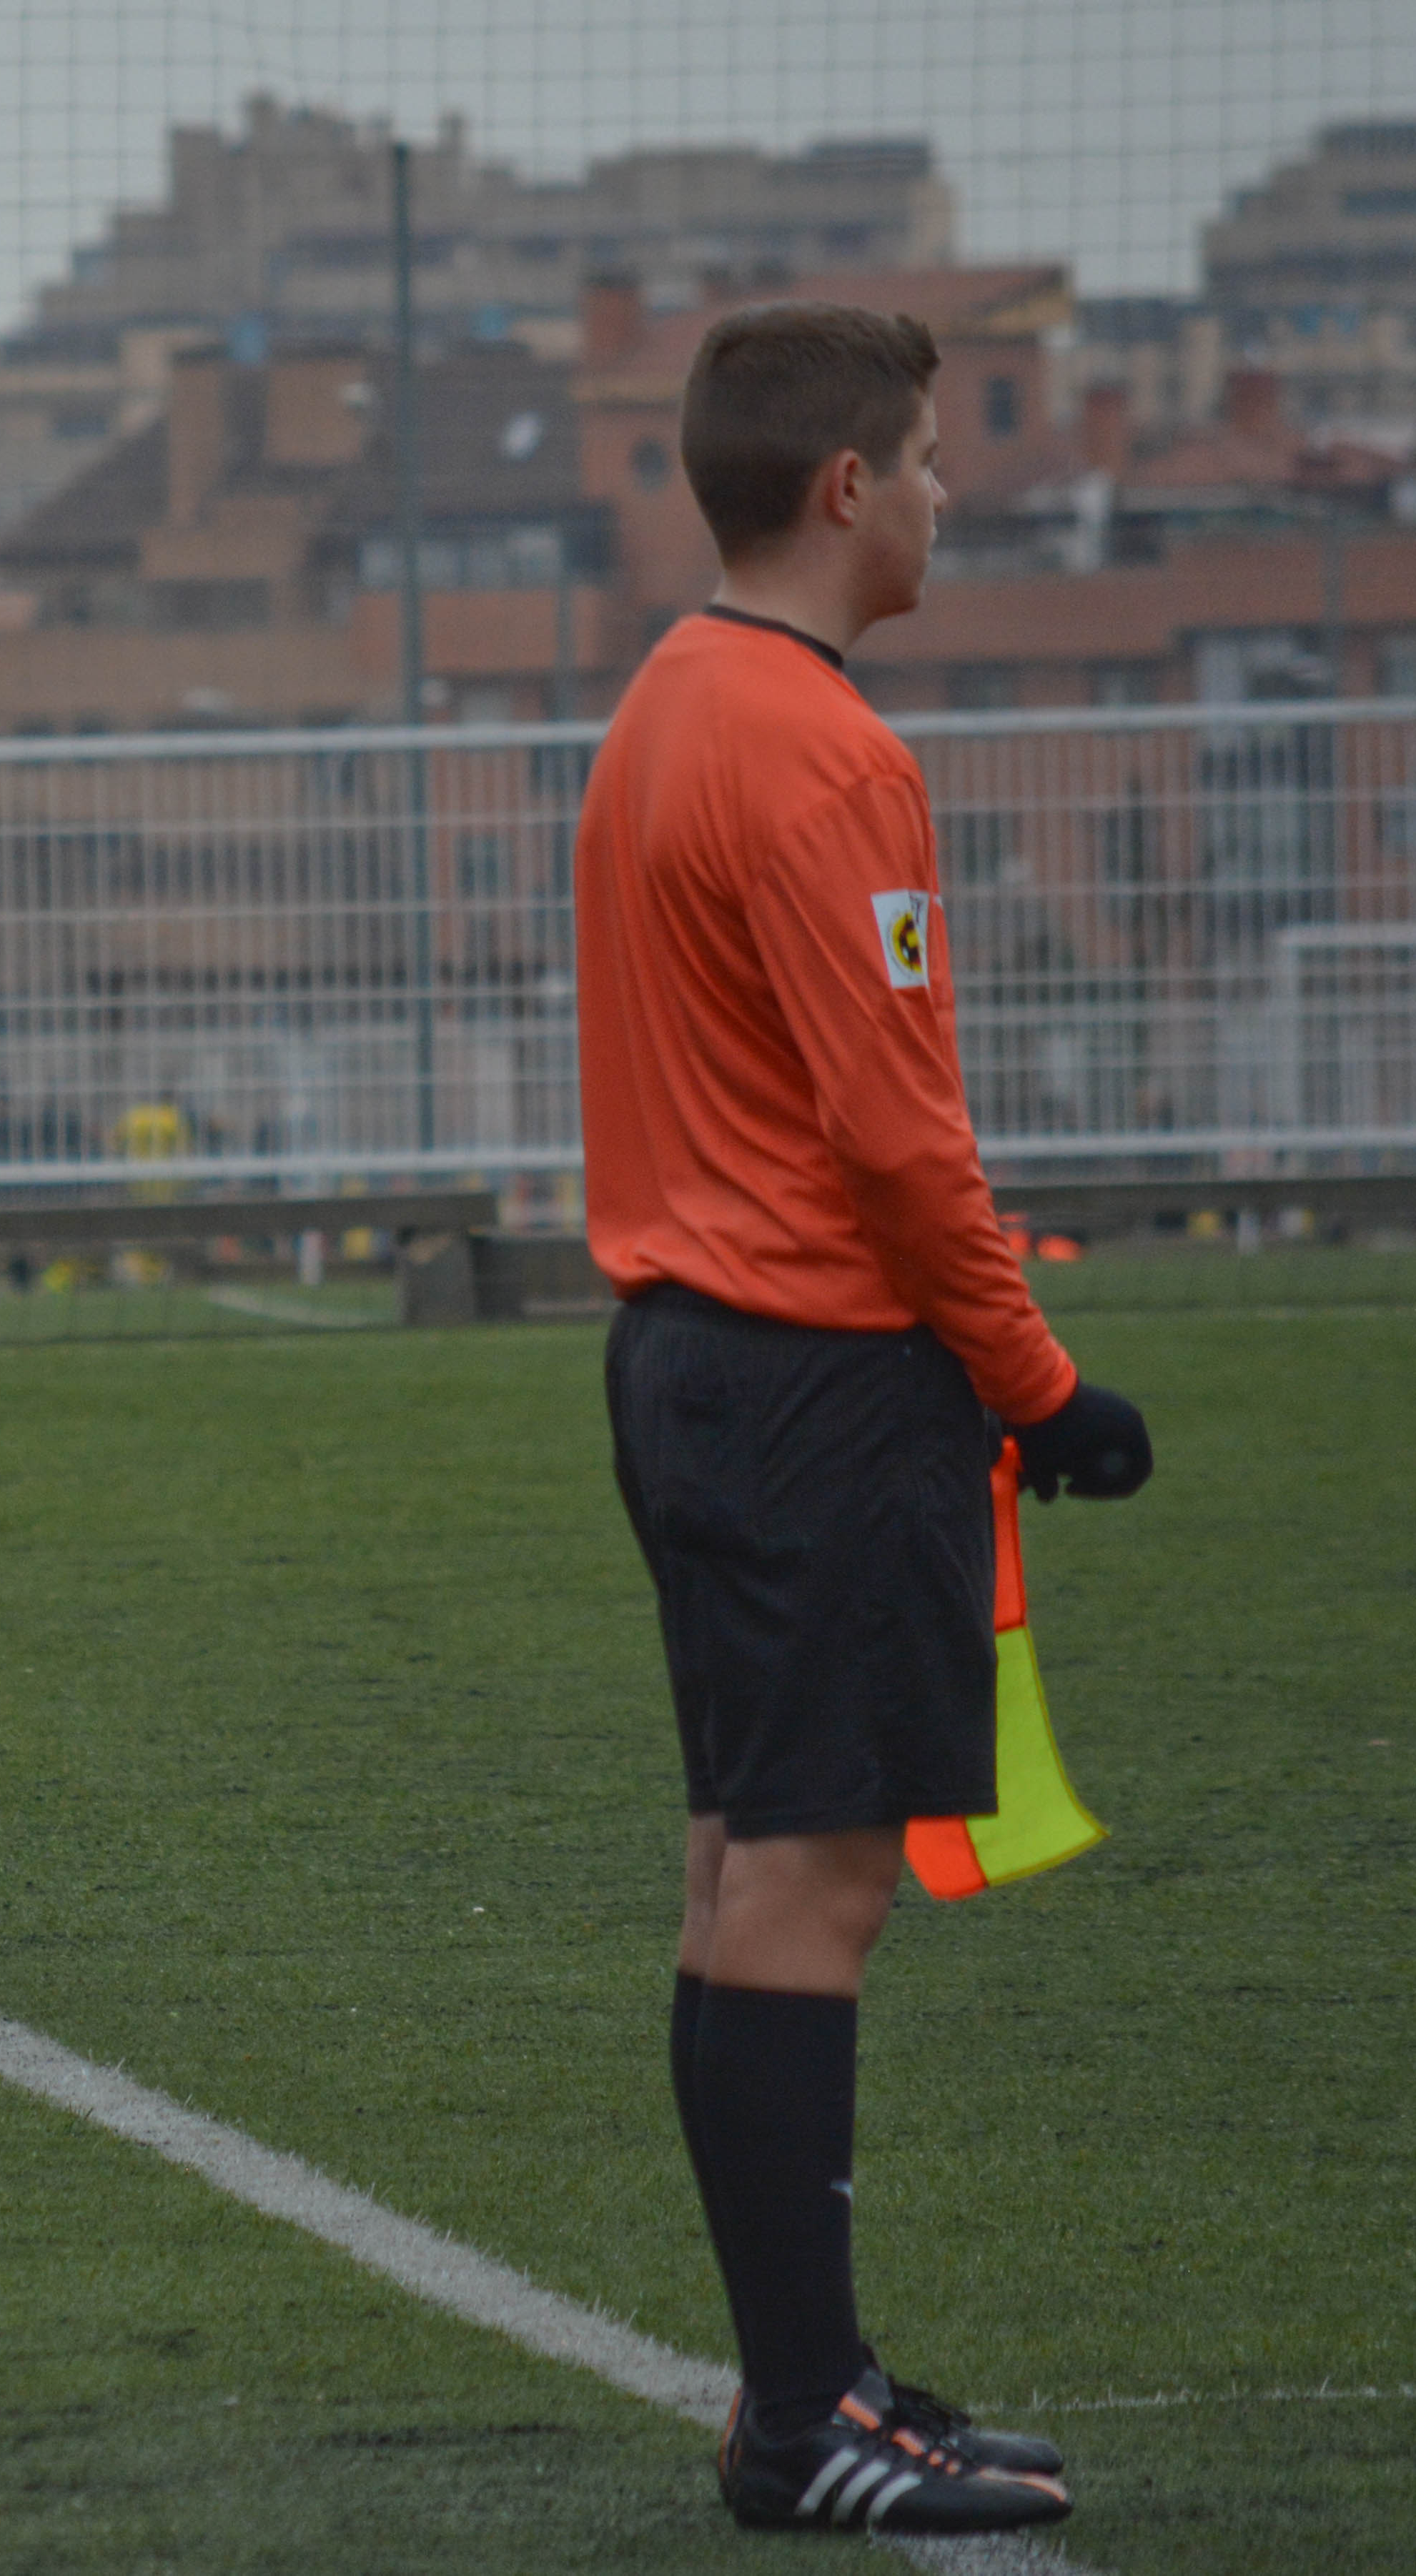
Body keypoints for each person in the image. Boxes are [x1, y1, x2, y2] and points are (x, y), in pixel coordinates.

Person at [575, 304, 1152, 2536]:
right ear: (840, 489)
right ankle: (806, 2414)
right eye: (921, 459)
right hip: (818, 1376)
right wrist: (1041, 1384)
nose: (940, 494)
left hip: (695, 1359)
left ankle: (798, 2393)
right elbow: (900, 1139)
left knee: (742, 1869)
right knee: (803, 1888)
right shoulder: (824, 749)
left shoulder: (663, 697)